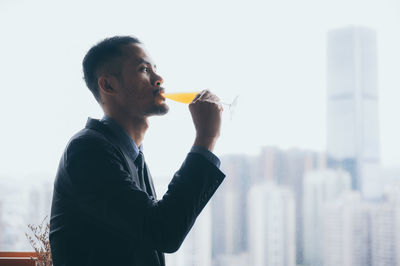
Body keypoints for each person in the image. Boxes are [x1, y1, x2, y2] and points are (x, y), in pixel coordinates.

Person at [49, 36, 225, 266]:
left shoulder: (130, 152)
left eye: (155, 69)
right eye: (144, 69)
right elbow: (164, 230)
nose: (159, 79)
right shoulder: (87, 151)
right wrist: (206, 137)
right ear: (108, 85)